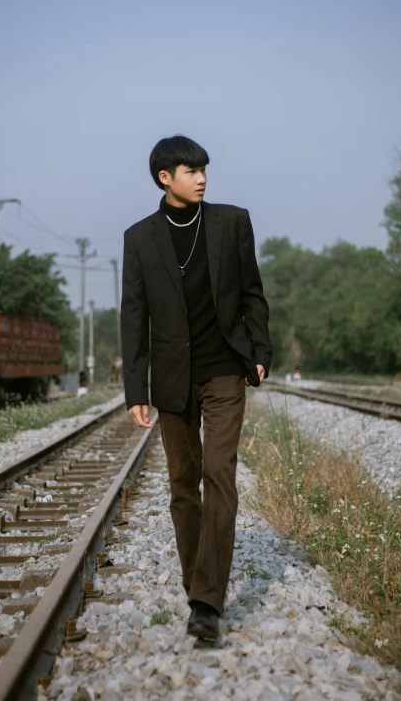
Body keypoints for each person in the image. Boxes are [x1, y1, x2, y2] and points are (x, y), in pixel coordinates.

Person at [121, 135, 272, 642]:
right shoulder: (140, 237)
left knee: (218, 472)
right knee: (183, 485)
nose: (202, 177)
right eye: (190, 170)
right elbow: (133, 315)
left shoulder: (232, 221)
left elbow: (252, 291)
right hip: (171, 379)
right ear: (166, 178)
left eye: (204, 168)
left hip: (227, 368)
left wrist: (260, 352)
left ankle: (206, 602)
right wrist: (134, 389)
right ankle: (196, 586)